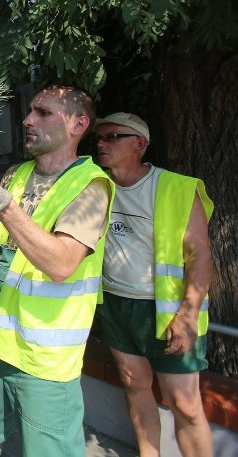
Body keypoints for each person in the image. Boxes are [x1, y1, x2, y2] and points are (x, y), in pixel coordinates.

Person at [0, 85, 114, 456]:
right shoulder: (18, 173)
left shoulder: (90, 186)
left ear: (78, 124)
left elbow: (61, 264)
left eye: (43, 112)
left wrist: (3, 205)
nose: (27, 119)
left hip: (45, 357)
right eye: (30, 112)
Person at [93, 112, 214, 457]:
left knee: (185, 404)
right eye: (99, 138)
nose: (101, 144)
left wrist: (188, 315)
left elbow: (200, 255)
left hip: (166, 310)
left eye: (112, 136)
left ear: (139, 144)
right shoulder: (94, 184)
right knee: (134, 387)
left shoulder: (176, 187)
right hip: (115, 304)